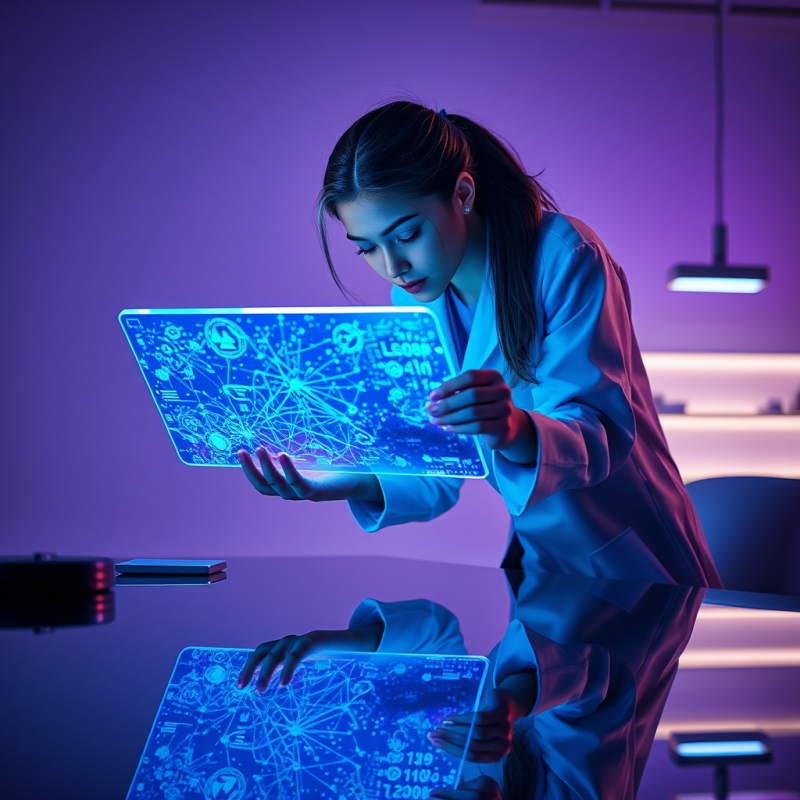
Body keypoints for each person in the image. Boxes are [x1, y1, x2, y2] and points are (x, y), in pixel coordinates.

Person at [237, 100, 722, 588]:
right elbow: (436, 463)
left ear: (463, 193)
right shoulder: (413, 303)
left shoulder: (566, 255)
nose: (392, 266)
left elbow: (598, 436)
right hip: (542, 564)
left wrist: (513, 427)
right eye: (366, 248)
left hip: (638, 563)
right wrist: (333, 482)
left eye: (406, 234)